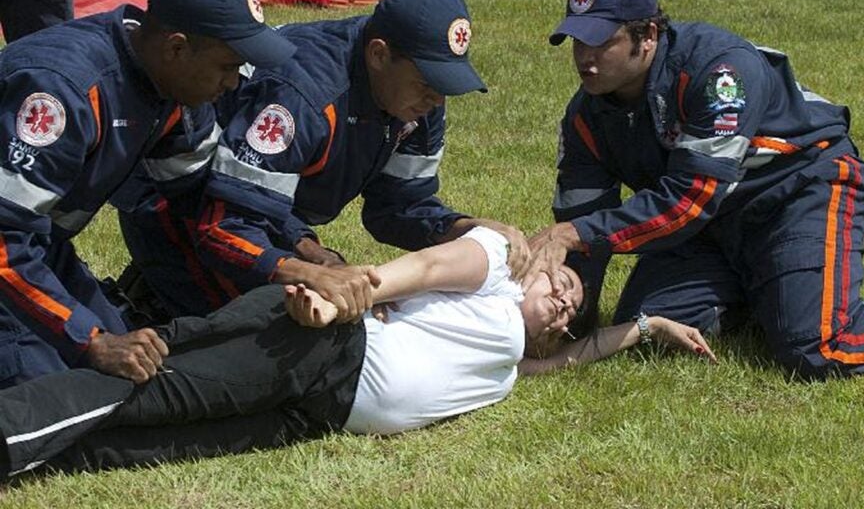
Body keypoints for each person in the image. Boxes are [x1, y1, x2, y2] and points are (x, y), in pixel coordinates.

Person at [526, 0, 864, 379]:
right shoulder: (585, 116)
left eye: (601, 42)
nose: (585, 58)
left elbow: (689, 200)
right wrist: (569, 318)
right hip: (711, 227)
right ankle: (773, 290)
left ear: (648, 36)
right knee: (648, 325)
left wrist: (575, 234)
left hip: (798, 190)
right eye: (577, 42)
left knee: (819, 350)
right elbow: (580, 230)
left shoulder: (719, 71)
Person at [0, 226, 712, 476]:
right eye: (563, 284)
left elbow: (571, 359)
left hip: (318, 412)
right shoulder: (495, 265)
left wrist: (646, 326)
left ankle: (34, 457)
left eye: (570, 313)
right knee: (152, 391)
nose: (565, 303)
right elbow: (421, 269)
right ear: (536, 268)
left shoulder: (511, 363)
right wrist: (341, 301)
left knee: (148, 445)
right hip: (322, 344)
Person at [115, 0, 530, 325]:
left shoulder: (416, 101)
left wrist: (461, 229)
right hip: (180, 202)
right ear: (378, 55)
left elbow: (396, 208)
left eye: (444, 84)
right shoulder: (304, 98)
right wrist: (308, 269)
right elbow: (224, 227)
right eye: (427, 82)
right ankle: (140, 307)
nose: (437, 100)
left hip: (257, 207)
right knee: (257, 336)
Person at [0, 0, 295, 388]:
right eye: (227, 66)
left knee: (137, 375)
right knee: (55, 394)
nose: (232, 83)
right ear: (177, 48)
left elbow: (202, 194)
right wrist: (92, 341)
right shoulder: (63, 90)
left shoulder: (169, 83)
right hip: (12, 246)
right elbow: (4, 240)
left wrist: (298, 255)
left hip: (37, 246)